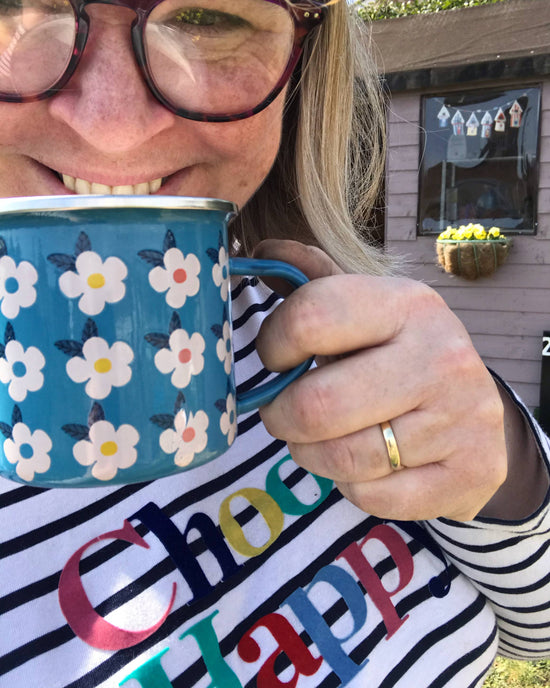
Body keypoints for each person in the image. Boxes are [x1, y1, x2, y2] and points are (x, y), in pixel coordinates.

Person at [0, 0, 549, 686]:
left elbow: (537, 627)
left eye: (208, 18)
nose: (114, 129)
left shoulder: (324, 328)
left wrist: (498, 457)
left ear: (304, 64)